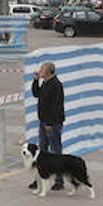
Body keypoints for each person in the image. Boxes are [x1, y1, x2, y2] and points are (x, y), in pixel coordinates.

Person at [31, 62, 66, 190]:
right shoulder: (45, 83)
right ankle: (41, 178)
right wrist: (35, 81)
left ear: (49, 71)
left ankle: (59, 180)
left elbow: (56, 106)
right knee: (42, 151)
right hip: (43, 121)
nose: (40, 71)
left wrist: (50, 123)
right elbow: (36, 93)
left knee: (55, 151)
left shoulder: (56, 85)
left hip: (52, 123)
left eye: (42, 69)